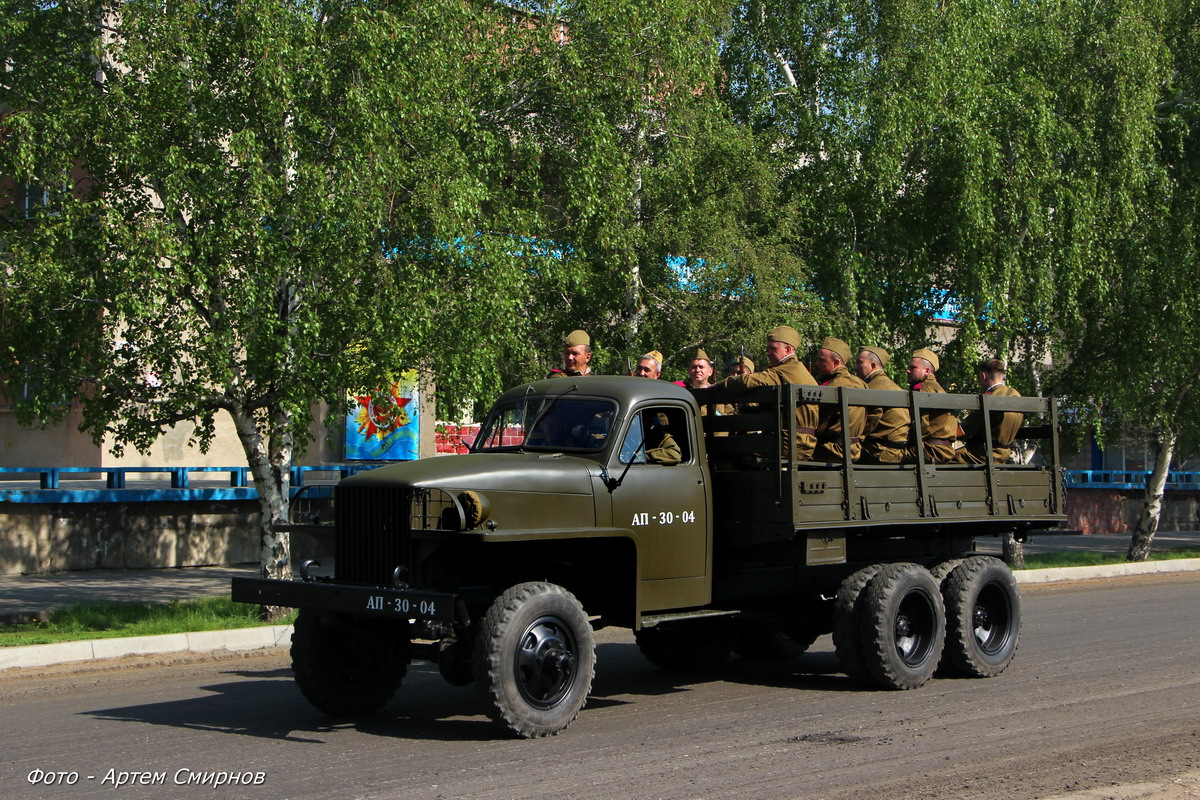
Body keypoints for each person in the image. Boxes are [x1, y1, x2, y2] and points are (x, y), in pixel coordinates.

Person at [718, 325, 817, 460]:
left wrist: (720, 385)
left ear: (788, 349)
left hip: (787, 444)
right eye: (768, 348)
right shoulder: (797, 370)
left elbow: (748, 381)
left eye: (773, 348)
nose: (769, 352)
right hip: (801, 443)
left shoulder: (784, 370)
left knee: (723, 447)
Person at [956, 358, 1023, 464]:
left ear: (983, 375)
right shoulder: (1015, 395)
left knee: (940, 459)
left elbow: (964, 430)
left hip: (982, 454)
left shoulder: (989, 398)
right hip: (1004, 454)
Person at [811, 337, 867, 462]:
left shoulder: (832, 386)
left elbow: (817, 422)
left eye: (821, 360)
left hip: (833, 450)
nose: (816, 363)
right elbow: (875, 413)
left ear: (836, 363)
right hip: (855, 449)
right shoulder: (861, 383)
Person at [854, 346, 911, 464]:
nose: (855, 367)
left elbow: (869, 422)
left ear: (873, 366)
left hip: (879, 451)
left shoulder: (871, 388)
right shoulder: (894, 387)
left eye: (860, 362)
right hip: (897, 451)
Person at [904, 348, 957, 463]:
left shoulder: (923, 389)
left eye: (913, 368)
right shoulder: (938, 388)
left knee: (891, 456)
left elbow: (921, 425)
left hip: (930, 450)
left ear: (927, 371)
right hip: (944, 450)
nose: (908, 370)